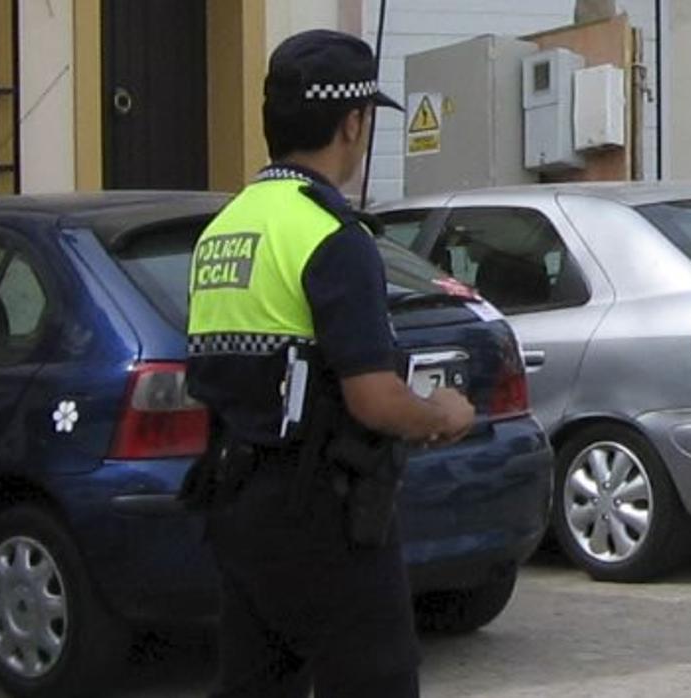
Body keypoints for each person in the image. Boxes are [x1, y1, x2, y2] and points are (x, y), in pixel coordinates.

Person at [183, 29, 476, 697]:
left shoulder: (222, 230)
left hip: (234, 505)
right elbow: (371, 397)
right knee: (378, 679)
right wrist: (441, 414)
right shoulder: (331, 236)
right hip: (324, 513)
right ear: (351, 122)